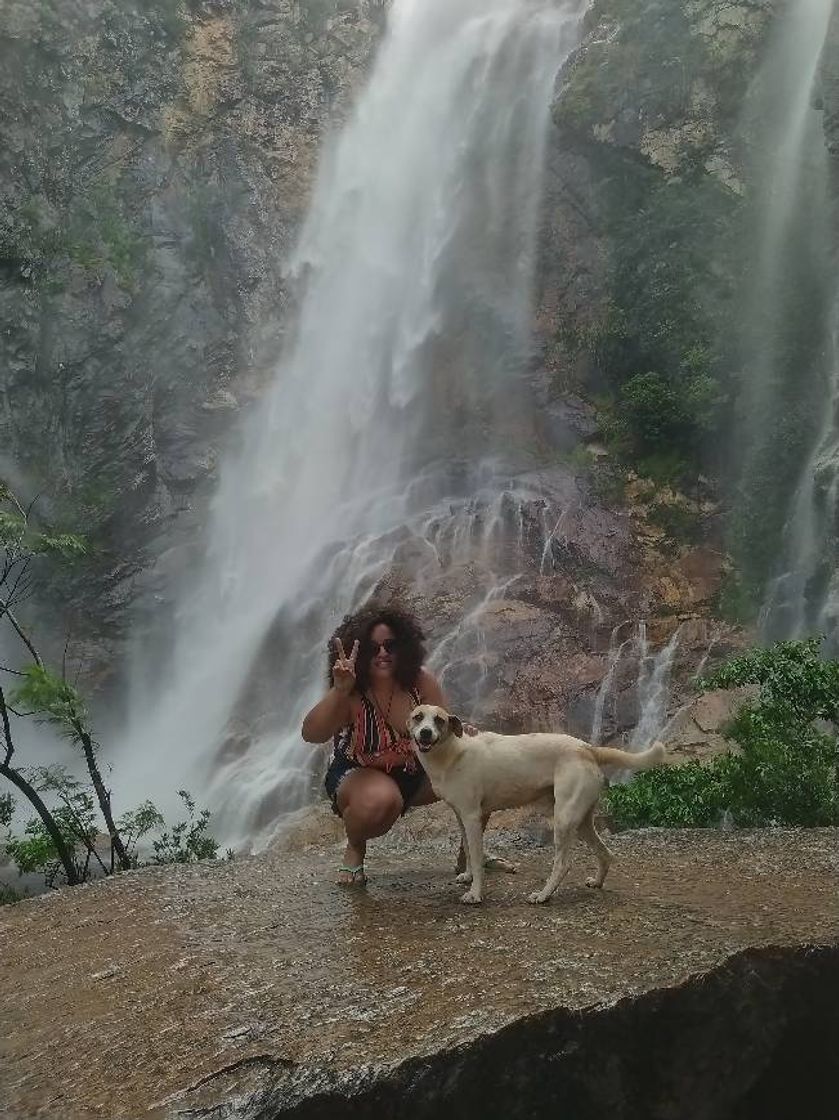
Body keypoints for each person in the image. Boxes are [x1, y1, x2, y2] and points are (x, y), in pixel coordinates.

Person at [301, 602, 511, 885]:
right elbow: (311, 734)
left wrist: (467, 735)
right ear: (360, 652)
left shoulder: (421, 682)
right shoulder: (351, 693)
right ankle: (354, 849)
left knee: (478, 770)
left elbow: (442, 731)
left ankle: (469, 854)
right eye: (373, 648)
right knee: (382, 800)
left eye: (391, 645)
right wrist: (339, 690)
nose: (383, 653)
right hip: (361, 774)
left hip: (419, 770)